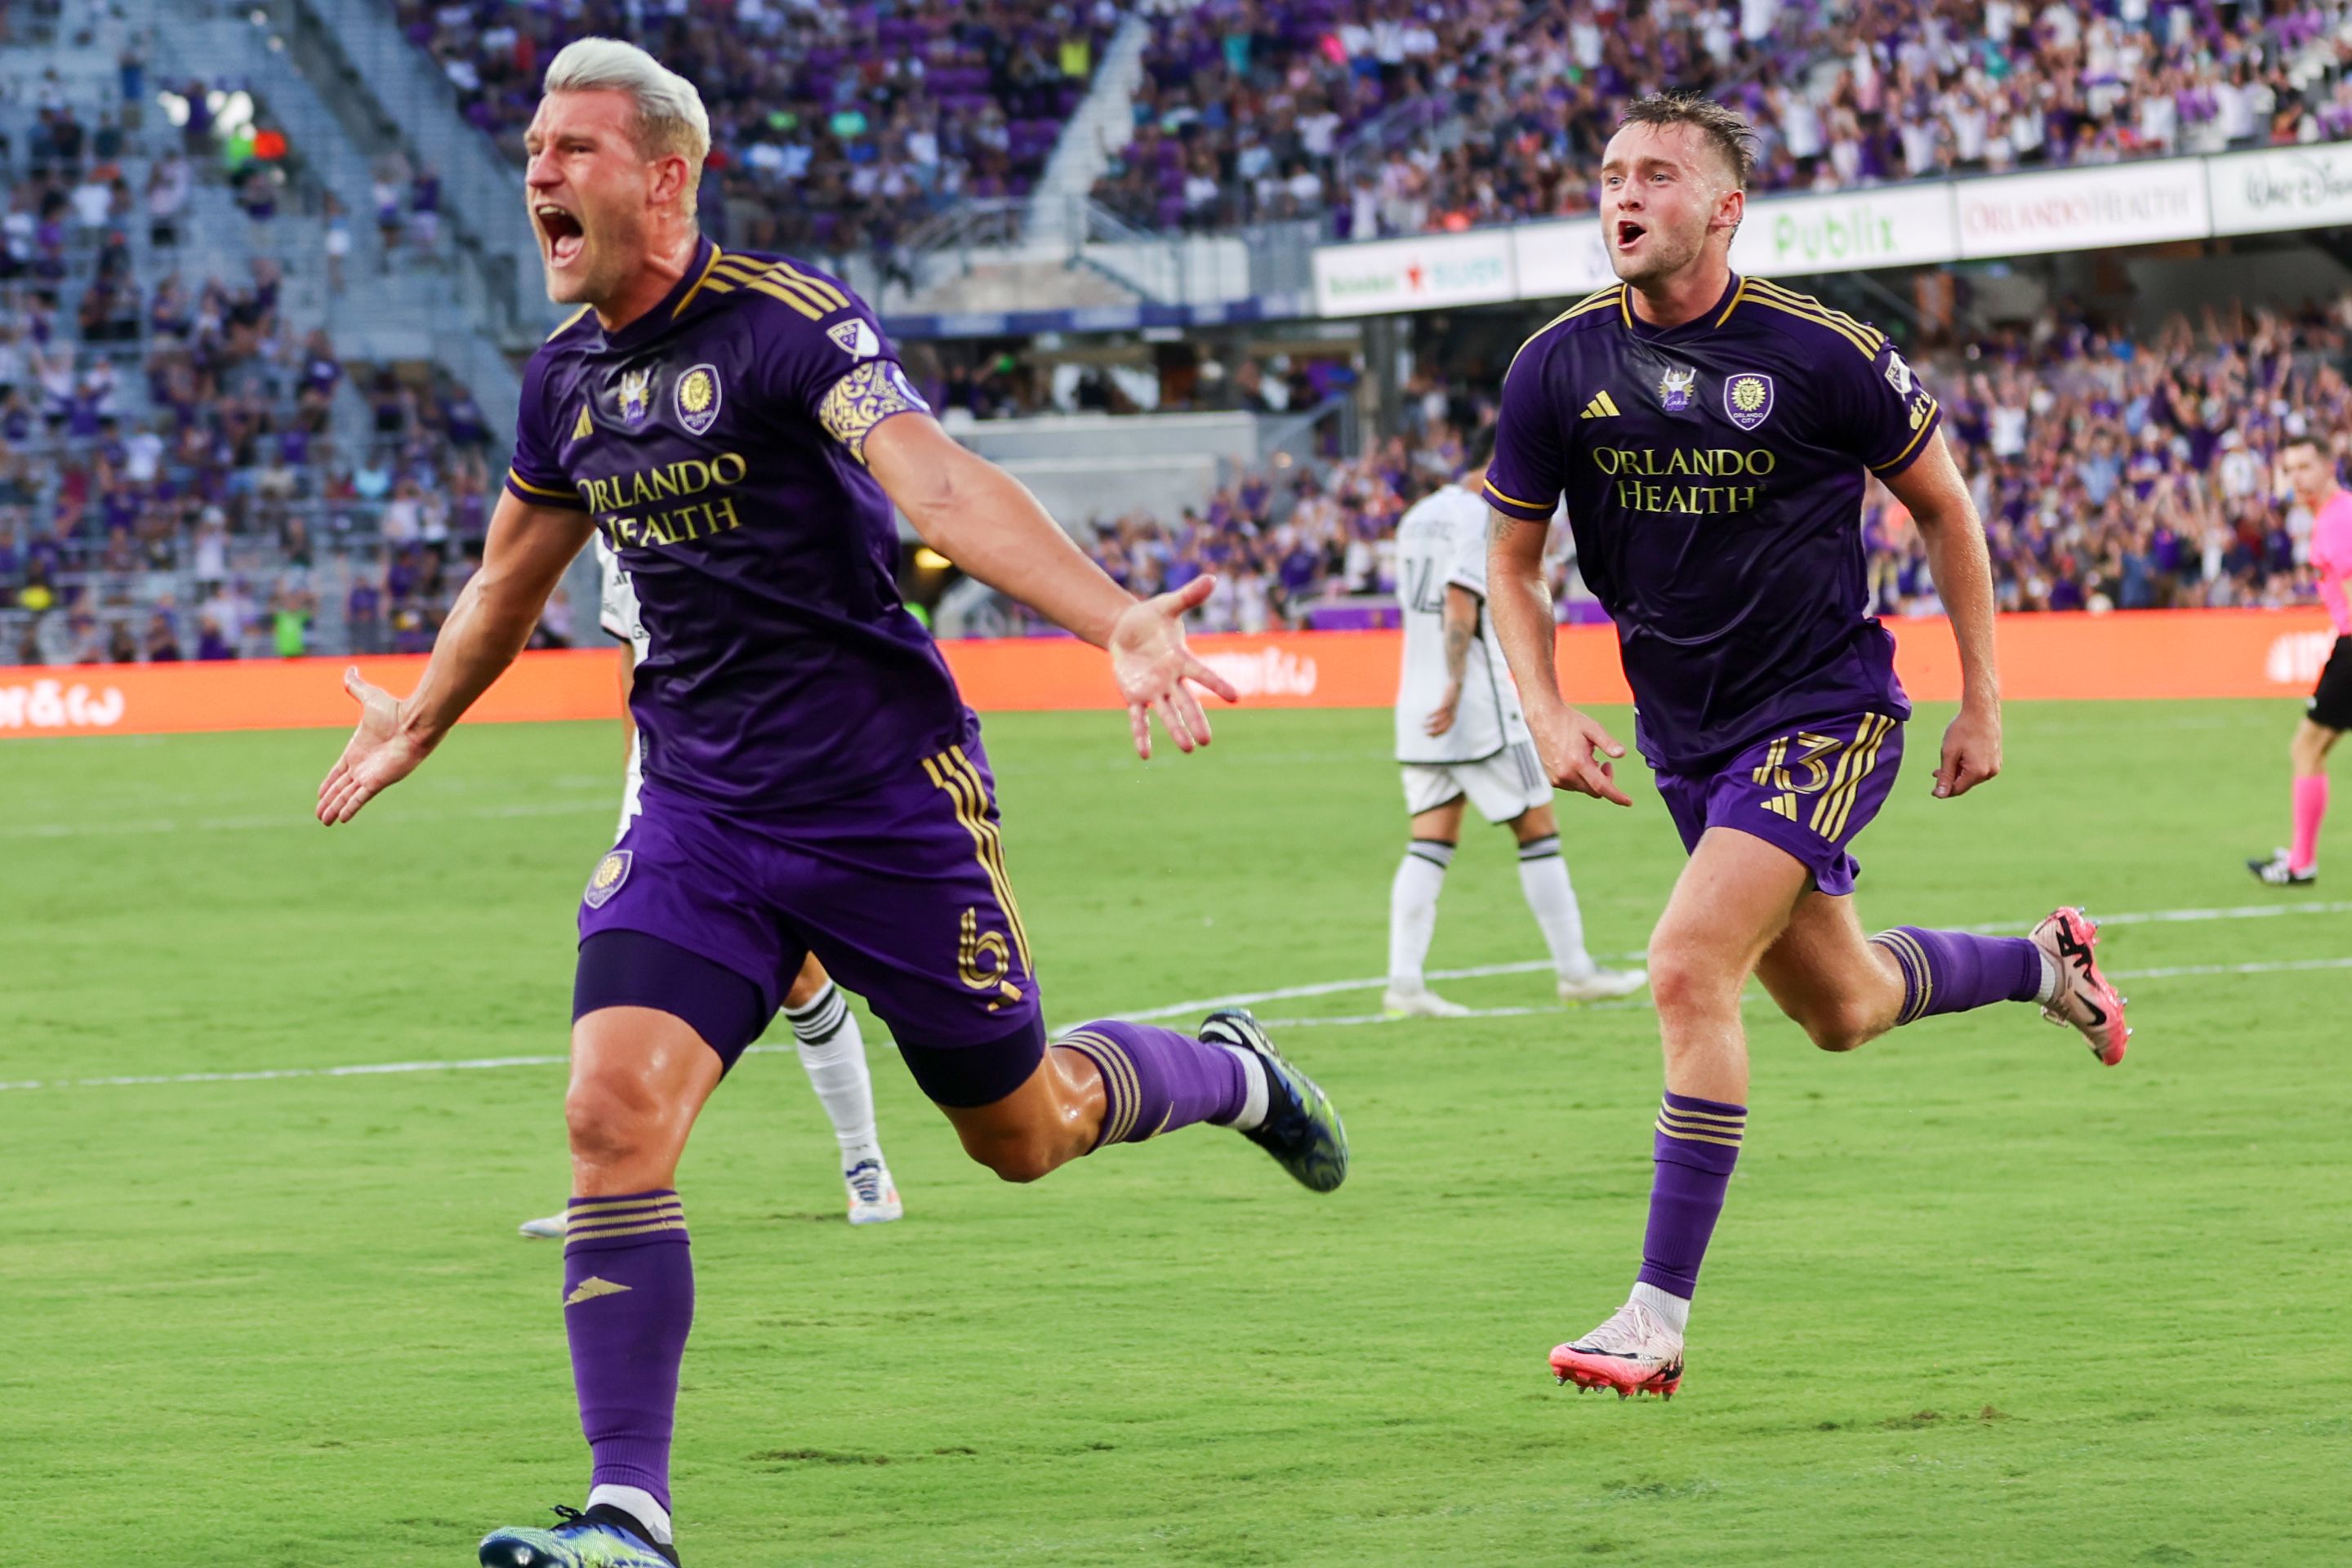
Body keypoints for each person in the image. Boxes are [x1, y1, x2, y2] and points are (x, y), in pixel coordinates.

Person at [314, 39, 1346, 1568]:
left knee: (1024, 1133)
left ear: (668, 175)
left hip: (883, 805)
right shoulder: (564, 381)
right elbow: (505, 583)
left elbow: (941, 489)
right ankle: (628, 1513)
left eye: (572, 149)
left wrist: (1114, 617)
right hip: (700, 817)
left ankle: (1231, 1073)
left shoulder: (792, 325)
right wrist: (420, 718)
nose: (537, 173)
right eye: (532, 149)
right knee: (610, 1116)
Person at [1480, 93, 2128, 1404]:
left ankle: (1654, 1320)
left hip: (1824, 712)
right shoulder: (1554, 366)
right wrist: (1544, 710)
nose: (1625, 195)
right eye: (1611, 174)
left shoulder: (1824, 353)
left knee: (1684, 966)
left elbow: (1945, 510)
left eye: (1657, 175)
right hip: (1686, 735)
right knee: (1845, 1009)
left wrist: (1983, 698)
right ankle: (2041, 965)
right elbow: (1511, 559)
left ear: (1725, 210)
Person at [519, 540, 902, 1235]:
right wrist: (635, 784)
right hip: (662, 785)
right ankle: (605, 1188)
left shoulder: (725, 507)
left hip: (759, 768)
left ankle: (864, 1161)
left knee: (800, 975)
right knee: (619, 961)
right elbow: (632, 658)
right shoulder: (611, 527)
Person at [1385, 423, 1645, 1018]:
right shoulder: (1482, 515)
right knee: (1538, 829)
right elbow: (1460, 600)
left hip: (1415, 704)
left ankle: (1404, 984)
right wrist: (1457, 683)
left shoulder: (1418, 516)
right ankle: (1577, 973)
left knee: (1430, 839)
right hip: (1473, 705)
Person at [2247, 435, 2352, 885]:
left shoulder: (2336, 520)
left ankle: (2301, 863)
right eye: (2290, 470)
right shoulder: (2334, 515)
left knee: (2306, 747)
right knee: (2312, 748)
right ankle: (2300, 858)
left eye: (2306, 466)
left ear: (2329, 467)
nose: (2297, 477)